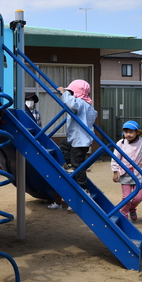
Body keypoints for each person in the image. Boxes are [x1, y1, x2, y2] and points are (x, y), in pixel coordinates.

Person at [49, 79, 98, 210]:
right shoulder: (88, 106)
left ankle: (84, 191)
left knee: (79, 165)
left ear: (76, 93)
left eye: (71, 92)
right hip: (75, 139)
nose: (69, 95)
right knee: (64, 146)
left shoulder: (80, 103)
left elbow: (72, 104)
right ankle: (70, 166)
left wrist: (64, 93)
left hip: (80, 141)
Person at [111, 121, 142, 220]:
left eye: (131, 132)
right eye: (126, 132)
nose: (128, 134)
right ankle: (124, 215)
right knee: (126, 197)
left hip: (139, 173)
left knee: (138, 198)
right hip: (125, 173)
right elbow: (115, 158)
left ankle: (132, 208)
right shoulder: (120, 143)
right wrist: (115, 172)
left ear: (137, 132)